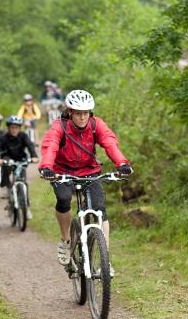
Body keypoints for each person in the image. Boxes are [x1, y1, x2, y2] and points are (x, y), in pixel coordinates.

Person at [38, 90, 133, 275]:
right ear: (70, 112)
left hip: (90, 171)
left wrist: (122, 163)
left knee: (99, 209)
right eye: (78, 113)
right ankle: (66, 241)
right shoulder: (60, 126)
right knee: (64, 198)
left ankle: (105, 260)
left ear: (90, 113)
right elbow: (51, 146)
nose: (82, 117)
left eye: (86, 113)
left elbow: (110, 143)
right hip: (62, 171)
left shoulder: (96, 125)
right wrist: (47, 167)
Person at [0, 115, 39, 217]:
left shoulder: (23, 136)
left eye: (16, 127)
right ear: (8, 128)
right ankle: (7, 187)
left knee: (24, 183)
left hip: (21, 159)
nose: (14, 130)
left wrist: (34, 156)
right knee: (7, 166)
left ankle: (26, 208)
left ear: (20, 128)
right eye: (12, 127)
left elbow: (30, 145)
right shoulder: (3, 137)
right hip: (8, 158)